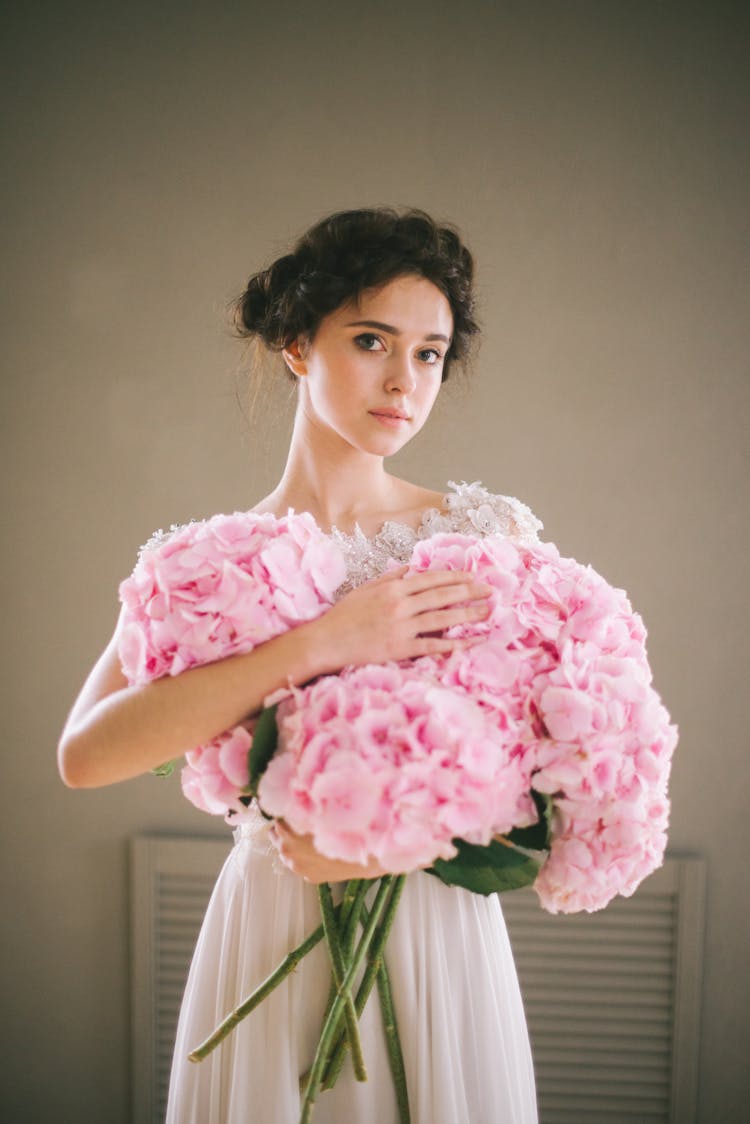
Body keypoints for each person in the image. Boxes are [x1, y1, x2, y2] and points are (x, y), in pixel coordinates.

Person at [58, 207, 541, 1123]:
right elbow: (86, 755)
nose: (405, 381)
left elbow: (539, 773)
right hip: (272, 915)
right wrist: (321, 643)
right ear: (294, 343)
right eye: (372, 341)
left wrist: (398, 834)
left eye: (431, 354)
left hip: (438, 932)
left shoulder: (482, 536)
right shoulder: (213, 567)